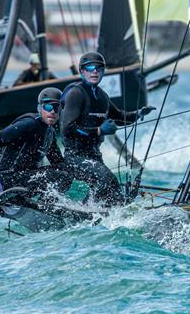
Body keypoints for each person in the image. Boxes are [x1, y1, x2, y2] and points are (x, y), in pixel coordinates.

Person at [60, 51, 154, 205]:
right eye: (90, 68)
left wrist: (138, 113)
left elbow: (119, 116)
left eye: (99, 68)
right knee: (105, 179)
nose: (95, 71)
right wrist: (99, 131)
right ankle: (86, 211)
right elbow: (67, 128)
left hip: (94, 156)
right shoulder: (76, 94)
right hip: (75, 157)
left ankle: (112, 214)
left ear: (103, 72)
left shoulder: (102, 96)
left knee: (115, 191)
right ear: (82, 71)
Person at [0, 87, 73, 198]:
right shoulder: (28, 124)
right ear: (39, 108)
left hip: (27, 177)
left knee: (66, 173)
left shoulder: (50, 133)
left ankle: (46, 204)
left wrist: (75, 167)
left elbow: (58, 163)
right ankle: (45, 205)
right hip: (9, 179)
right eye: (48, 107)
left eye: (57, 108)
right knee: (59, 176)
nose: (52, 112)